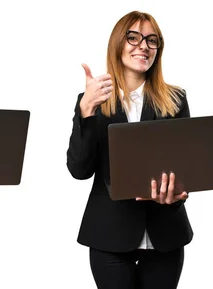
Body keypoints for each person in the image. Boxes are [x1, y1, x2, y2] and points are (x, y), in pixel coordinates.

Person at [66, 11, 193, 289]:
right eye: (133, 37)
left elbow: (185, 170)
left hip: (165, 236)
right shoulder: (93, 100)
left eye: (151, 40)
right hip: (109, 234)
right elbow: (79, 170)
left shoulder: (175, 99)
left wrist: (176, 195)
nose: (143, 46)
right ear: (118, 44)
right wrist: (86, 111)